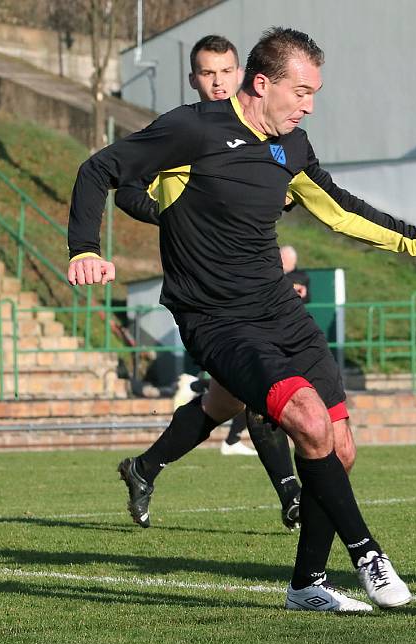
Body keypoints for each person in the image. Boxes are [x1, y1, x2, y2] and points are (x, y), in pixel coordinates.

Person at [67, 27, 416, 613]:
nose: (308, 105)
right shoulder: (193, 128)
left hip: (281, 310)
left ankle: (306, 585)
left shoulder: (292, 147)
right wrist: (85, 247)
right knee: (305, 418)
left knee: (340, 448)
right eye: (301, 92)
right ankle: (367, 552)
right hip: (217, 320)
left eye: (314, 94)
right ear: (262, 84)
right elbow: (100, 169)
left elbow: (339, 208)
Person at [115, 35, 300, 523]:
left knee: (224, 401)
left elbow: (284, 191)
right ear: (193, 79)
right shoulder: (179, 132)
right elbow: (126, 187)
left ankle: (144, 467)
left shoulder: (267, 135)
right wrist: (172, 214)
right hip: (205, 296)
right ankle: (293, 496)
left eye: (225, 72)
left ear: (242, 75)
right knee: (262, 387)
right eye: (206, 73)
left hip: (251, 289)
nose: (217, 82)